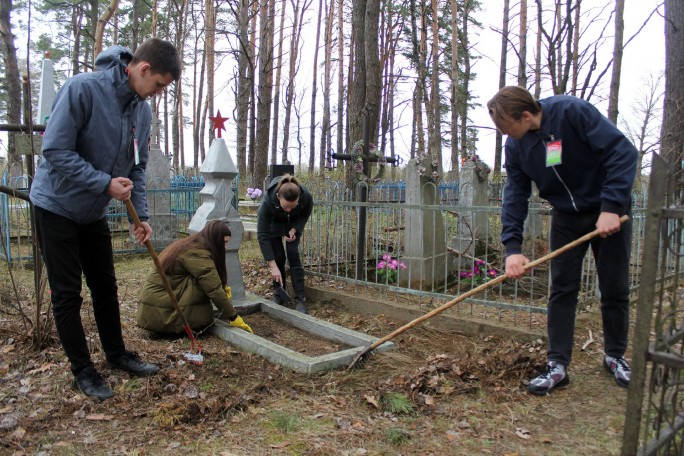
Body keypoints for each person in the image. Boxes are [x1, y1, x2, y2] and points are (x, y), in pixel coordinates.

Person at [30, 38, 182, 401]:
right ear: (142, 69)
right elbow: (54, 149)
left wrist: (141, 215)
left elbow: (137, 169)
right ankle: (83, 370)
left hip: (92, 212)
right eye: (159, 84)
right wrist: (103, 182)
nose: (158, 93)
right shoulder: (82, 89)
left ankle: (116, 355)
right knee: (67, 295)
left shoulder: (141, 112)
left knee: (105, 287)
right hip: (55, 206)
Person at [487, 86, 637, 396]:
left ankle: (615, 356)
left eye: (506, 127)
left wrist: (610, 207)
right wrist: (513, 249)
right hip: (566, 217)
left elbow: (622, 152)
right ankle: (558, 365)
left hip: (608, 211)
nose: (505, 134)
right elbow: (515, 195)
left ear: (526, 115)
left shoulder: (572, 112)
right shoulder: (516, 148)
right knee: (562, 289)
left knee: (614, 286)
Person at [137, 220, 253, 335]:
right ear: (215, 239)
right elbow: (213, 289)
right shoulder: (197, 253)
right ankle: (189, 321)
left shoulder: (191, 244)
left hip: (157, 304)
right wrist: (233, 317)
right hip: (161, 313)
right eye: (223, 242)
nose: (224, 247)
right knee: (203, 282)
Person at [257, 174, 314, 314]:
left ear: (299, 199)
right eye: (285, 206)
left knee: (293, 253)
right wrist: (272, 265)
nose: (288, 209)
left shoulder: (306, 197)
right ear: (278, 197)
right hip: (274, 223)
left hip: (294, 222)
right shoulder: (267, 203)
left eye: (292, 206)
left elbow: (305, 214)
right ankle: (279, 292)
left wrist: (294, 229)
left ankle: (300, 298)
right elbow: (262, 235)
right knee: (278, 257)